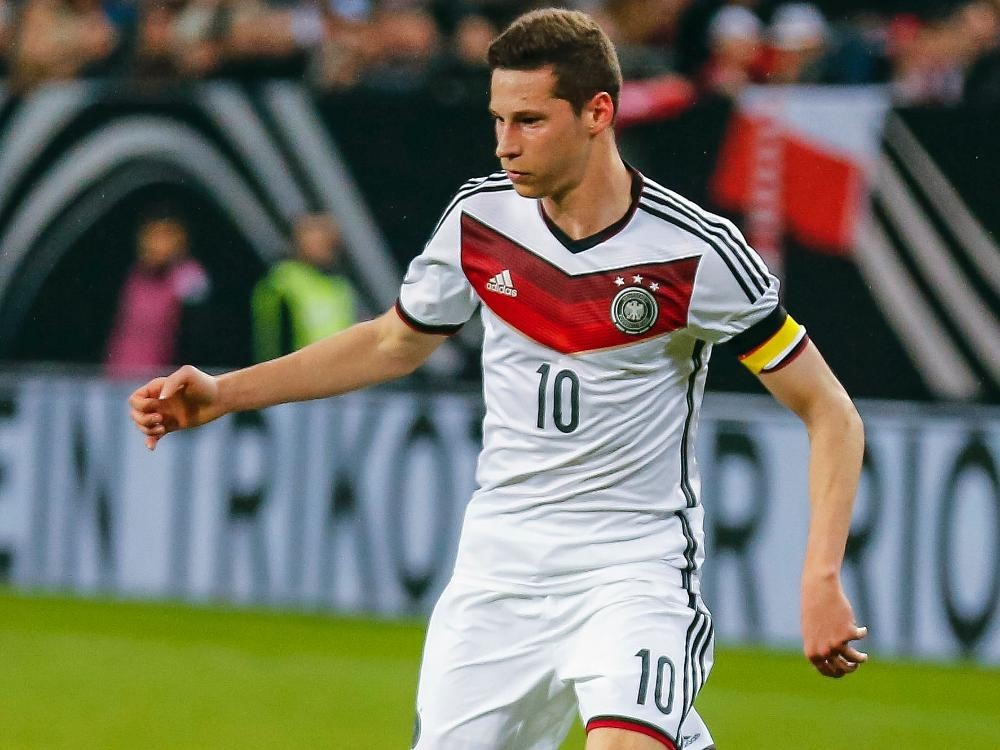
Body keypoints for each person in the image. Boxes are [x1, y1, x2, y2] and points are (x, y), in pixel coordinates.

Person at [129, 8, 867, 749]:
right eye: (498, 120)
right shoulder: (479, 221)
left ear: (597, 113)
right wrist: (224, 393)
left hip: (633, 568)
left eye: (529, 121)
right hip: (500, 568)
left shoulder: (696, 253)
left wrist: (820, 578)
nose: (505, 144)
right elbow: (390, 342)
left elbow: (830, 411)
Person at [106, 209, 210, 376]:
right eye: (151, 236)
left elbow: (197, 335)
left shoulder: (188, 276)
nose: (156, 243)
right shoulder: (133, 275)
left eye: (165, 236)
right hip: (121, 374)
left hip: (165, 378)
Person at [251, 213, 357, 362]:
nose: (322, 244)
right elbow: (271, 337)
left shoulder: (340, 286)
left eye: (325, 239)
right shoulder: (283, 279)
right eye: (313, 238)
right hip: (295, 370)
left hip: (338, 370)